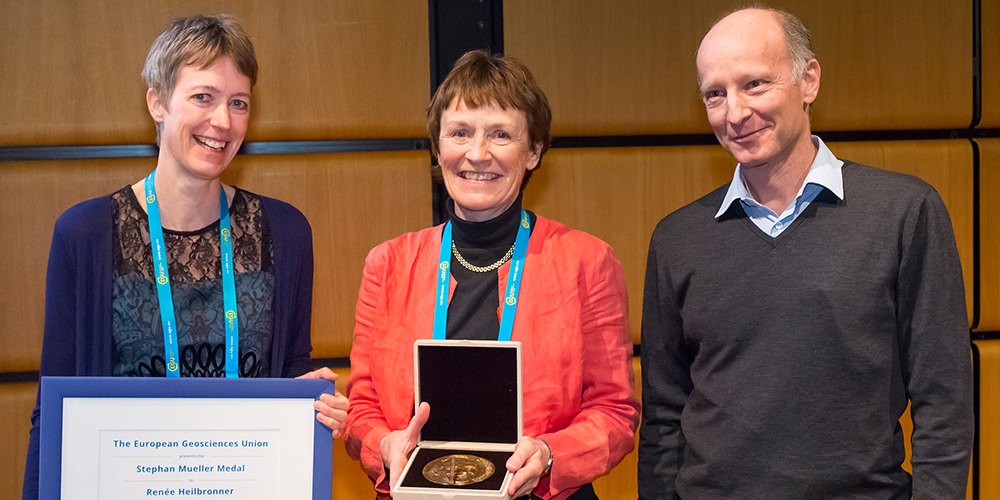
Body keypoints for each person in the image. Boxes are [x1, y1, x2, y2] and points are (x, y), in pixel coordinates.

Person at [638, 6, 973, 500]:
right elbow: (663, 417)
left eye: (755, 84)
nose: (734, 112)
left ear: (808, 79)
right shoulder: (677, 237)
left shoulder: (905, 211)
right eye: (715, 94)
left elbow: (943, 399)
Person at [22, 15, 348, 499]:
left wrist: (318, 407)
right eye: (203, 97)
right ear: (157, 101)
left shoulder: (286, 231)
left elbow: (292, 372)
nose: (223, 121)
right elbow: (57, 411)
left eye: (239, 103)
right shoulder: (85, 234)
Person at [345, 49, 640, 500]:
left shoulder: (586, 261)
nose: (477, 153)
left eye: (500, 134)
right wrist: (382, 444)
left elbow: (615, 414)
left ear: (534, 151)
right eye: (459, 132)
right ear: (438, 146)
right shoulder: (387, 264)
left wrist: (549, 452)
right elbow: (361, 408)